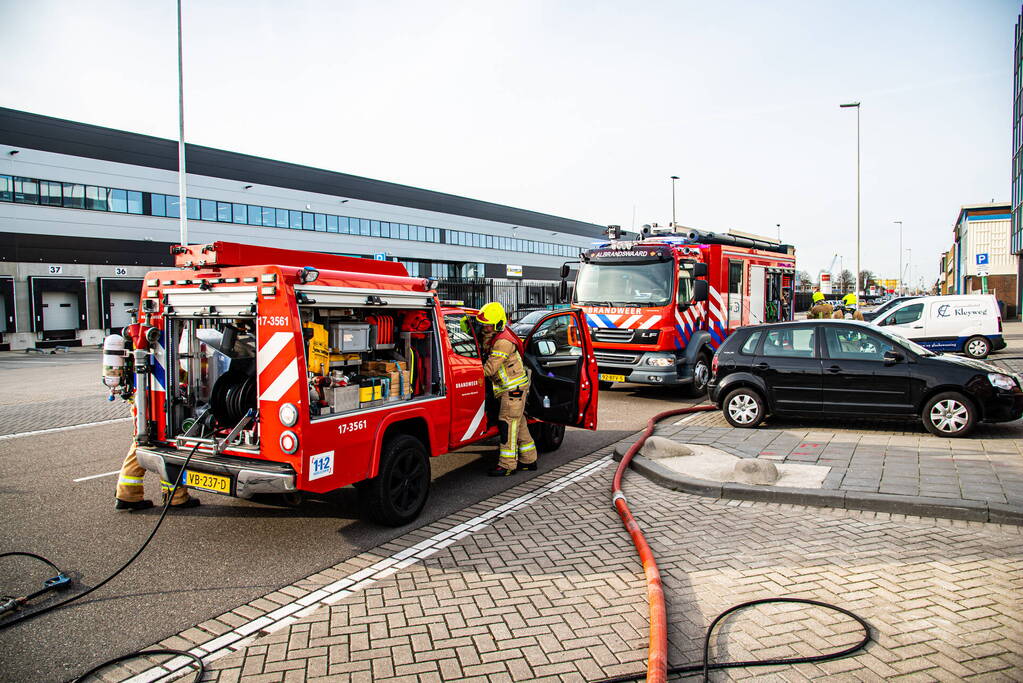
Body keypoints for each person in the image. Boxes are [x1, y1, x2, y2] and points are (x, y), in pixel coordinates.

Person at [475, 302, 537, 477]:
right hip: (514, 389)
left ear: (497, 324)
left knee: (507, 425)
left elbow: (490, 369)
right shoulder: (500, 335)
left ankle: (507, 464)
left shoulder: (502, 342)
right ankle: (529, 460)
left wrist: (471, 373)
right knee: (520, 424)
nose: (484, 327)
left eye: (487, 324)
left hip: (512, 391)